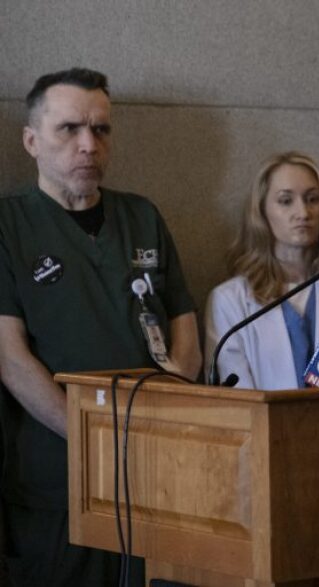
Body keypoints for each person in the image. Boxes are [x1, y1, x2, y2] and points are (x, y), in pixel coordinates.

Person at [0, 67, 201, 586]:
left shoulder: (142, 216)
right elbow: (10, 356)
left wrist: (165, 415)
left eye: (101, 129)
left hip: (153, 472)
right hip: (59, 477)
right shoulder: (9, 224)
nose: (88, 144)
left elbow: (183, 324)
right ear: (31, 140)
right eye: (69, 129)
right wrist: (93, 438)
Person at [205, 151, 319, 395]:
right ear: (261, 212)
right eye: (285, 200)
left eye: (312, 199)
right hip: (266, 431)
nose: (303, 213)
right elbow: (236, 400)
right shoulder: (230, 301)